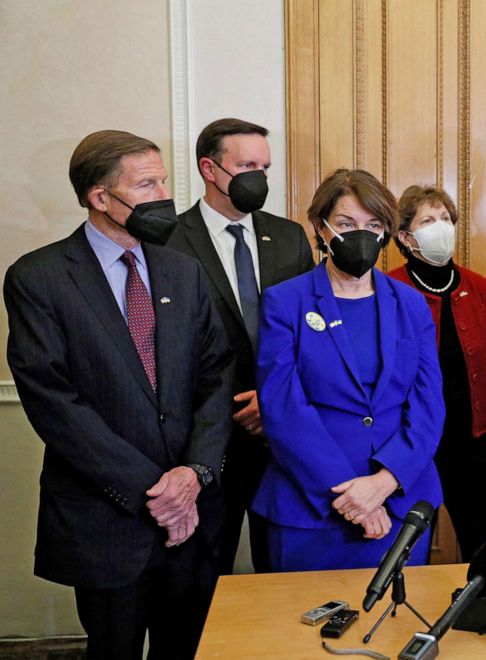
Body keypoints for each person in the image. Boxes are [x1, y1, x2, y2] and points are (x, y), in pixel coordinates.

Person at [4, 130, 233, 659]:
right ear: (99, 197)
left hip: (193, 515)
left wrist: (192, 475)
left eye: (162, 181)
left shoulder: (185, 271)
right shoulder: (38, 277)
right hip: (109, 519)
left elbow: (216, 375)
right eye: (146, 184)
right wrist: (157, 493)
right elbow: (53, 400)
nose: (162, 196)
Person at [252, 168, 444, 571]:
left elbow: (428, 407)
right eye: (346, 224)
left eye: (374, 225)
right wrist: (351, 498)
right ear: (322, 229)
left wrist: (383, 483)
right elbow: (283, 409)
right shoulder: (286, 302)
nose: (362, 234)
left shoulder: (411, 304)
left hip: (399, 503)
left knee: (395, 627)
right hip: (312, 507)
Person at [167, 118, 313, 574]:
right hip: (204, 439)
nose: (260, 178)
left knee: (284, 574)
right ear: (210, 169)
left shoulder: (288, 236)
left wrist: (273, 402)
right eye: (248, 165)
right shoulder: (167, 240)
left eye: (265, 168)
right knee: (201, 578)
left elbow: (311, 333)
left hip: (280, 435)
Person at [387, 185, 486, 559]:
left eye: (445, 219)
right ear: (405, 237)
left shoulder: (480, 287)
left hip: (470, 439)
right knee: (403, 549)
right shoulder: (390, 288)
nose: (440, 227)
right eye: (428, 220)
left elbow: (485, 362)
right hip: (409, 443)